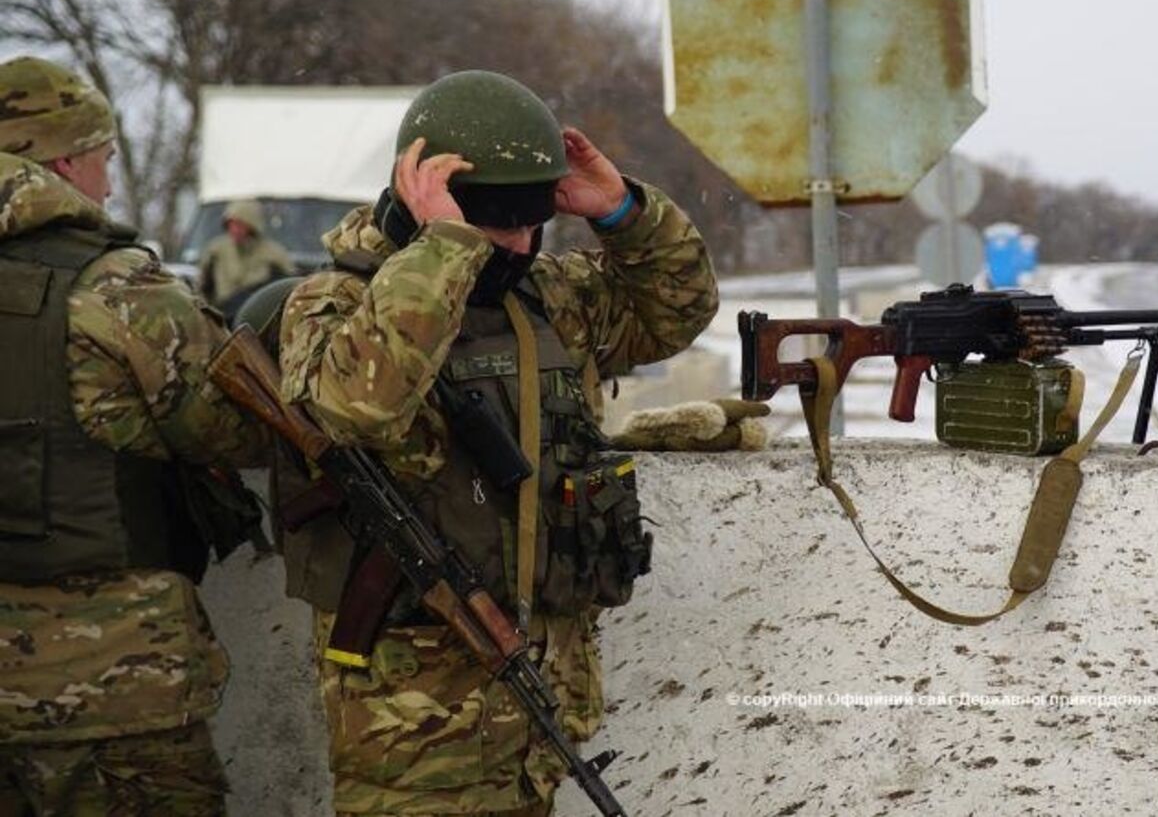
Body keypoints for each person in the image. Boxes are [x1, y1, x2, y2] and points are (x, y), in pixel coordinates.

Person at [276, 70, 719, 815]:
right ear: (429, 202)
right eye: (496, 223)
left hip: (540, 707)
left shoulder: (548, 299)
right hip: (412, 730)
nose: (517, 243)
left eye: (530, 221)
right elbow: (358, 406)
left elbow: (676, 309)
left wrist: (621, 214)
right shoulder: (337, 300)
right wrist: (445, 250)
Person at [0, 55, 266, 815]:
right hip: (119, 689)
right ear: (63, 159)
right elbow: (240, 429)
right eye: (105, 160)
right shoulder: (117, 289)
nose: (110, 184)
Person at [199, 198, 294, 320]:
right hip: (222, 319)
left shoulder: (274, 255)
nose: (235, 230)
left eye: (240, 224)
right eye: (231, 224)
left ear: (252, 225)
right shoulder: (216, 251)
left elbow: (287, 291)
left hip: (259, 321)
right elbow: (203, 290)